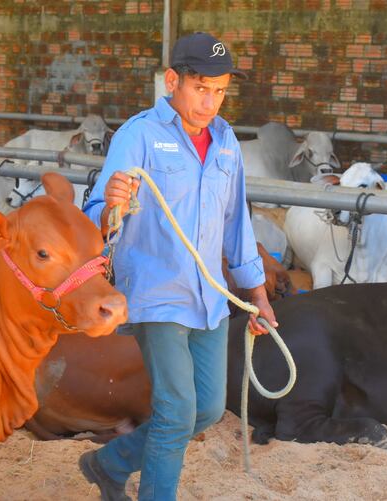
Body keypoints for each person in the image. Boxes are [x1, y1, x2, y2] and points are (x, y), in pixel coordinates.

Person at [78, 32, 278, 501]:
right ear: (173, 81)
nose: (211, 102)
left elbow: (236, 226)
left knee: (207, 409)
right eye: (201, 88)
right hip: (155, 292)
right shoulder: (138, 134)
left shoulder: (227, 142)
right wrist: (110, 207)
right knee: (175, 411)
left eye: (221, 90)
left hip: (209, 297)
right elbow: (94, 217)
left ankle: (109, 463)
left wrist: (259, 296)